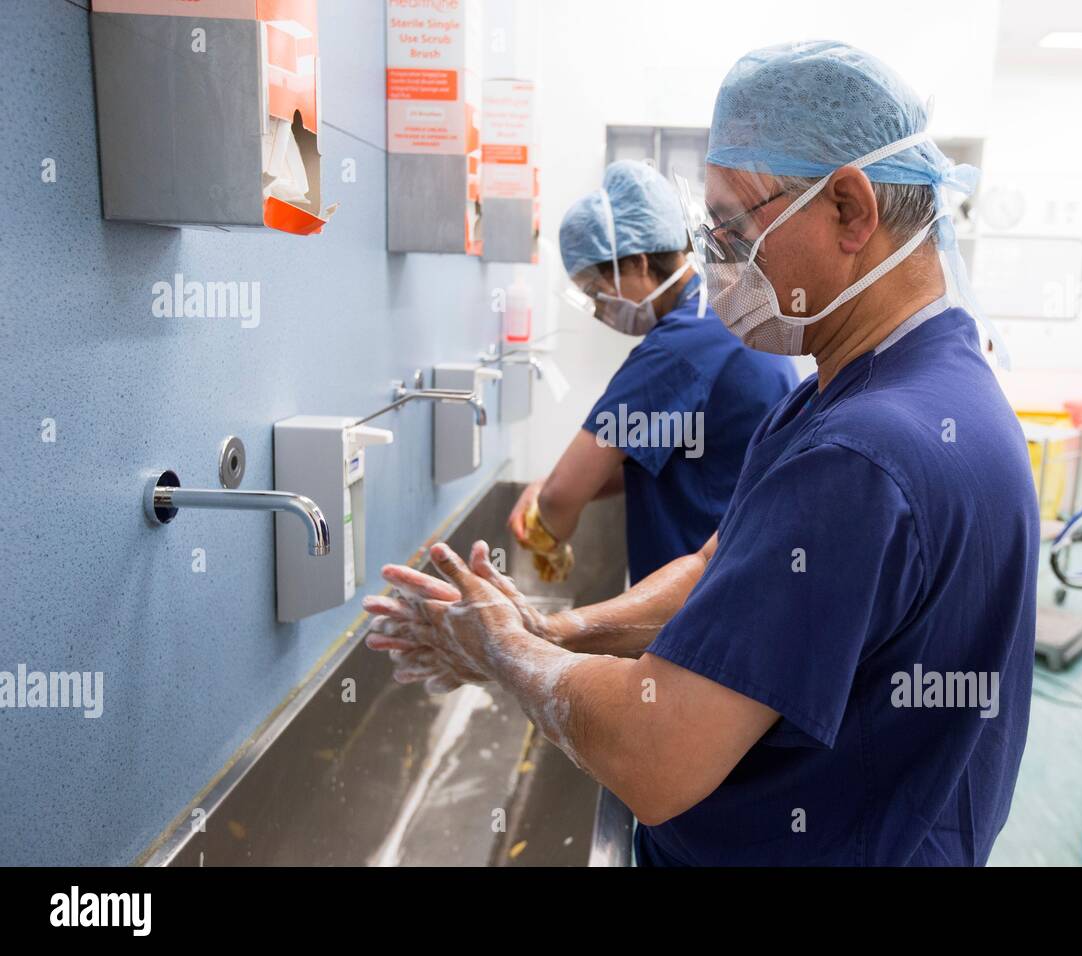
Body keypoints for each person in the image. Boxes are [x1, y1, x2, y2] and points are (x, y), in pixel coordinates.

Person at [365, 41, 1039, 865]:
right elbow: (719, 567)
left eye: (733, 226)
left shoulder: (865, 455)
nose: (717, 261)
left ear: (851, 211)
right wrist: (556, 631)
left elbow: (654, 753)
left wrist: (505, 650)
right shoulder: (873, 386)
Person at [508, 160, 798, 585]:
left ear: (640, 264)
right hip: (745, 576)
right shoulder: (724, 314)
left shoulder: (679, 349)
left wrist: (545, 534)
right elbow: (669, 455)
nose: (599, 310)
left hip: (703, 594)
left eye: (597, 290)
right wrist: (548, 486)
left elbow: (559, 500)